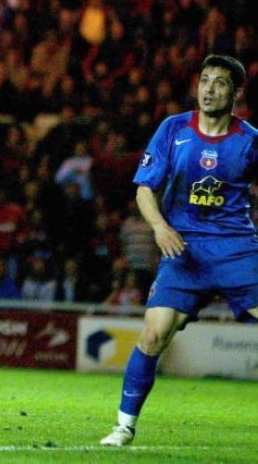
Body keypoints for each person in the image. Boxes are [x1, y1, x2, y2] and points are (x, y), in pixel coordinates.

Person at [100, 54, 258, 447]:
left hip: (236, 250)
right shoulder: (173, 129)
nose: (209, 89)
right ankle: (123, 427)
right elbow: (144, 189)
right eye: (204, 80)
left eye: (219, 83)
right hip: (183, 250)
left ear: (236, 93)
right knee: (153, 334)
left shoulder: (250, 140)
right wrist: (159, 227)